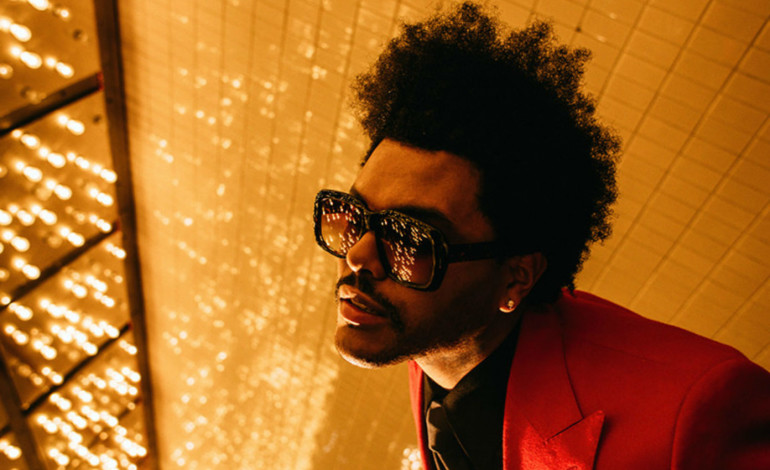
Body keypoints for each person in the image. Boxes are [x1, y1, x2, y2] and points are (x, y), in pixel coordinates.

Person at [312, 2, 770, 469]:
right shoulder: (433, 332)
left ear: (516, 278)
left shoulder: (699, 411)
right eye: (354, 215)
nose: (359, 256)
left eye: (410, 238)